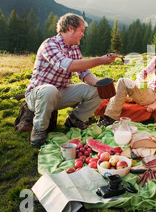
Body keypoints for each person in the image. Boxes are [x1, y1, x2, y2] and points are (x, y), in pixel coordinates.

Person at [25, 13, 118, 147]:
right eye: (81, 30)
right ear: (70, 28)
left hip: (61, 92)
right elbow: (68, 65)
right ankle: (39, 129)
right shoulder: (50, 44)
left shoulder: (74, 49)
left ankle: (75, 120)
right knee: (49, 90)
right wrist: (101, 60)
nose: (83, 34)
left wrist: (99, 84)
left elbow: (84, 73)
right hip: (38, 94)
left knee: (97, 90)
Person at [97, 33, 156, 126]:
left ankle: (110, 119)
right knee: (117, 90)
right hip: (146, 89)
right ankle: (105, 114)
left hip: (154, 95)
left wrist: (155, 104)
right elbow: (144, 72)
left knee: (122, 82)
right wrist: (140, 80)